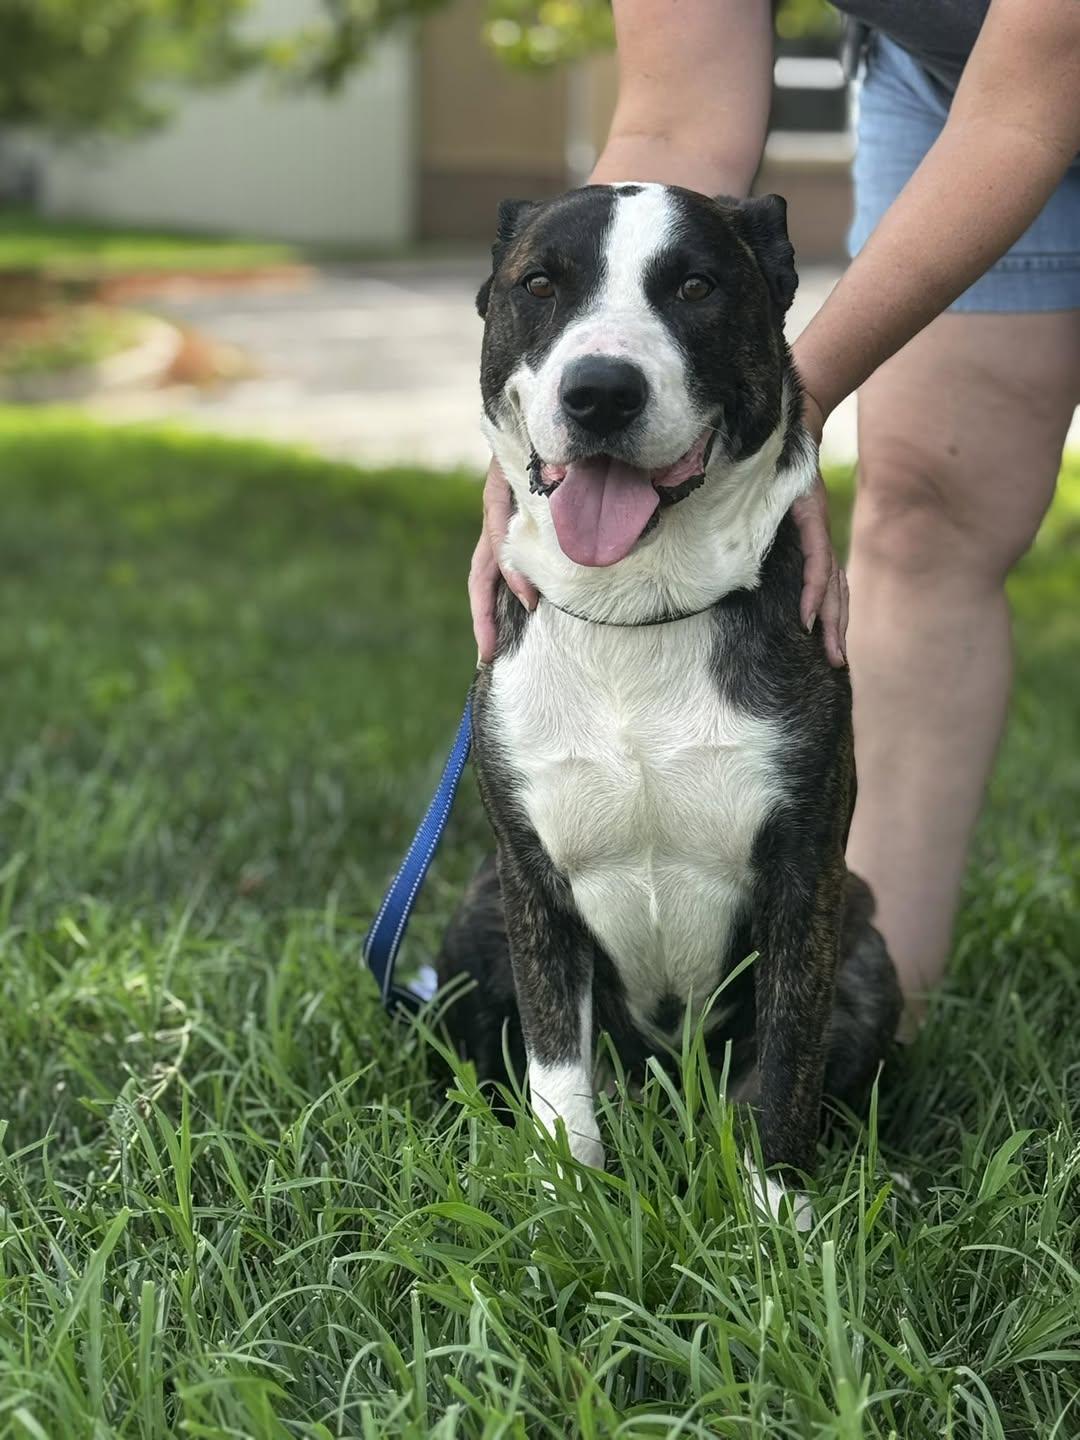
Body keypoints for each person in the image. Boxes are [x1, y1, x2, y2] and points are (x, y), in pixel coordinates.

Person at [467, 0, 1080, 1035]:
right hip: (951, 75)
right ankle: (870, 1017)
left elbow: (1029, 104)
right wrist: (538, 432)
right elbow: (674, 119)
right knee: (928, 507)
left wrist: (779, 422)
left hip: (1025, 78)